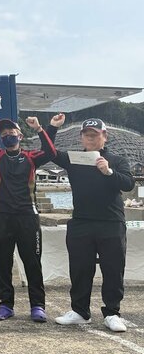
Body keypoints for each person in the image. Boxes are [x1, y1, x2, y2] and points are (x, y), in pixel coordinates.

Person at [50, 118, 135, 332]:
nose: (90, 137)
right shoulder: (74, 159)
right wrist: (52, 127)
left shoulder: (116, 160)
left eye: (95, 134)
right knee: (80, 269)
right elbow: (50, 152)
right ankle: (80, 311)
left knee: (113, 269)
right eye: (87, 134)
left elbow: (128, 183)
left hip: (111, 223)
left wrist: (109, 172)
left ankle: (112, 312)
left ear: (104, 136)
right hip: (81, 222)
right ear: (81, 137)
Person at [0, 98, 57, 321]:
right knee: (1, 263)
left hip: (27, 217)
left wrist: (41, 129)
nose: (7, 136)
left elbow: (51, 152)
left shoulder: (31, 158)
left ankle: (38, 306)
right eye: (3, 134)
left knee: (32, 262)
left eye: (11, 132)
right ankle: (6, 305)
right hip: (1, 216)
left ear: (20, 136)